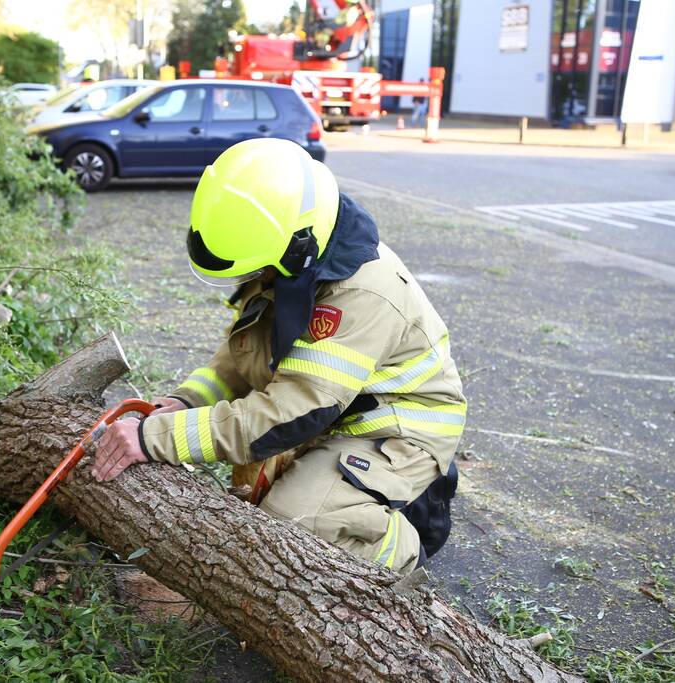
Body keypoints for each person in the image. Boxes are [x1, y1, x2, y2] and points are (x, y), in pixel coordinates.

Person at [92, 138, 466, 575]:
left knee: (292, 524)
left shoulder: (362, 293)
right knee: (259, 503)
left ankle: (403, 547)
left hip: (395, 428)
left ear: (297, 245)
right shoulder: (286, 252)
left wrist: (156, 437)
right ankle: (338, 491)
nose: (255, 276)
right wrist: (184, 403)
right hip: (333, 409)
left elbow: (294, 412)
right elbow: (244, 353)